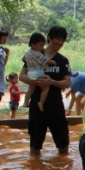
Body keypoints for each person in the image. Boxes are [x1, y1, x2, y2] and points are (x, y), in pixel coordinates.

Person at [20, 26, 71, 155]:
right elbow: (22, 76)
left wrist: (52, 82)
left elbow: (67, 82)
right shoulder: (34, 54)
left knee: (63, 145)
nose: (59, 43)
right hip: (37, 103)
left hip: (55, 104)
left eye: (62, 40)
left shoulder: (62, 60)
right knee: (35, 144)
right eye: (57, 39)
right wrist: (36, 82)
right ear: (49, 38)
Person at [21, 33, 57, 112]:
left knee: (30, 90)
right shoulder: (38, 54)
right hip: (39, 73)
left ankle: (25, 102)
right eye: (40, 46)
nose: (42, 48)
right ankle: (41, 102)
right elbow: (45, 60)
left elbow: (23, 59)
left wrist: (30, 62)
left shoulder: (28, 53)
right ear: (33, 44)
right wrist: (53, 62)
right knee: (45, 89)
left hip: (30, 73)